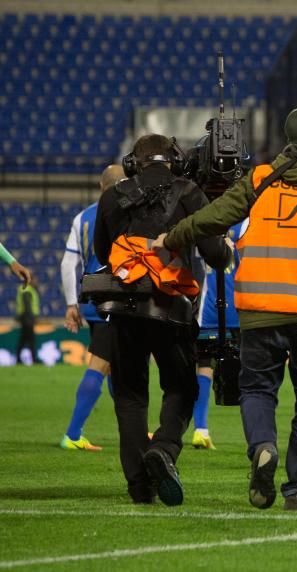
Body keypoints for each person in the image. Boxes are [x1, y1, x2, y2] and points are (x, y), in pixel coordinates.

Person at [157, 106, 297, 511]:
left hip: (260, 308)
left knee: (257, 390)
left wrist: (171, 237)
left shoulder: (259, 179)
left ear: (289, 140)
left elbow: (213, 218)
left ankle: (262, 448)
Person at [94, 134, 230, 505]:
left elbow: (102, 252)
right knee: (182, 388)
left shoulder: (111, 196)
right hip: (170, 308)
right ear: (175, 161)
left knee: (130, 396)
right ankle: (165, 450)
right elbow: (216, 255)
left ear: (132, 162)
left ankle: (140, 486)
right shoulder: (188, 191)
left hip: (122, 307)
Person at [59, 164, 125, 450]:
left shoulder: (82, 217)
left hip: (92, 299)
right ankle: (72, 435)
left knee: (115, 365)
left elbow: (68, 263)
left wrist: (71, 303)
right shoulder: (126, 212)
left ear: (101, 186)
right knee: (101, 363)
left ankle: (132, 429)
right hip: (116, 298)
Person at [190, 220, 247, 451]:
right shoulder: (248, 225)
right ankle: (256, 436)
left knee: (204, 366)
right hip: (240, 309)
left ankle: (200, 429)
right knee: (249, 371)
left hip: (209, 310)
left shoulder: (205, 223)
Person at [15, 275, 39, 365]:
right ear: (30, 280)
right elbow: (27, 306)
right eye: (35, 280)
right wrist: (31, 318)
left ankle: (18, 359)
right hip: (27, 318)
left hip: (25, 318)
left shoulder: (27, 289)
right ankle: (34, 360)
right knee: (31, 340)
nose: (36, 282)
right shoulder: (27, 290)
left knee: (23, 340)